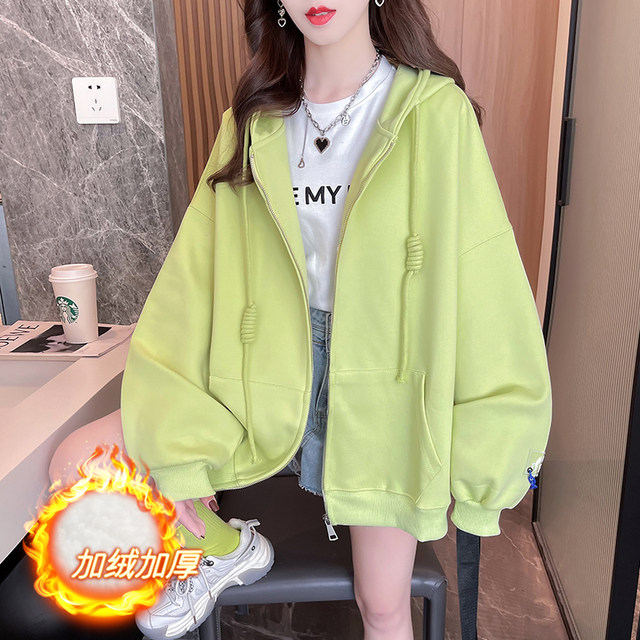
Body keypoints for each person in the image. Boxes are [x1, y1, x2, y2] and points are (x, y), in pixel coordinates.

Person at [49, 1, 553, 638]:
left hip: (384, 387)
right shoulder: (252, 122)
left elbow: (484, 279)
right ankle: (221, 549)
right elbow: (196, 277)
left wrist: (490, 446)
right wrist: (174, 436)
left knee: (382, 604)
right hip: (259, 371)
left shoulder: (434, 113)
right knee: (75, 462)